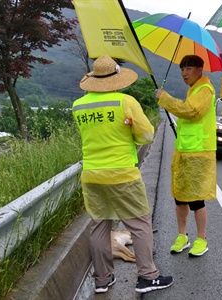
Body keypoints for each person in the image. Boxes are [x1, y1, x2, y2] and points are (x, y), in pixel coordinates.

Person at [72, 55, 173, 294]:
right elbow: (146, 136)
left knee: (99, 225)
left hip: (92, 175)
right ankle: (148, 276)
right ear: (116, 78)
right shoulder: (125, 101)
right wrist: (131, 137)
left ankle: (102, 280)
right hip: (122, 174)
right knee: (139, 224)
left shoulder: (79, 105)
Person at [156, 55, 217, 257]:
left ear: (200, 70)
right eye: (182, 69)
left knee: (197, 198)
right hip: (184, 150)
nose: (184, 73)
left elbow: (192, 112)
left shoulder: (205, 90)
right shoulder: (192, 89)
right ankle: (182, 236)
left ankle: (202, 239)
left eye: (189, 68)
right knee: (180, 196)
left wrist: (166, 99)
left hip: (199, 151)